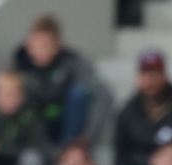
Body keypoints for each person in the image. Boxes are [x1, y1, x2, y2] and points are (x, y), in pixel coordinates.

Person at [14, 15, 113, 148]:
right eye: (35, 45)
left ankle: (71, 151)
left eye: (45, 45)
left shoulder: (73, 61)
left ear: (57, 45)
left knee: (78, 93)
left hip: (66, 123)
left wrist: (89, 137)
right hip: (37, 133)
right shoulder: (21, 66)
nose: (39, 51)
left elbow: (104, 94)